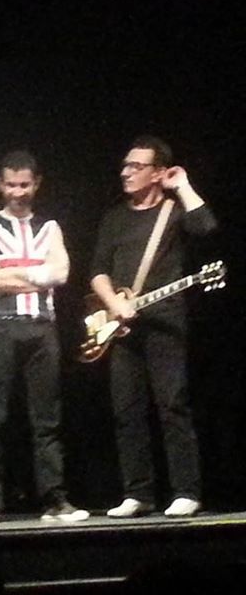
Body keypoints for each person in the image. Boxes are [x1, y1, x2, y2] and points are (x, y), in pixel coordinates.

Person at [90, 135, 217, 518]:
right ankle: (138, 493)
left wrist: (183, 185)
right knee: (126, 411)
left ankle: (186, 491)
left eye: (137, 166)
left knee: (172, 406)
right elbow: (98, 271)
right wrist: (114, 304)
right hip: (122, 326)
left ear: (158, 173)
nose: (126, 172)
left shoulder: (174, 212)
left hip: (165, 324)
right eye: (125, 165)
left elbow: (207, 227)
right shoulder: (114, 217)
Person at [0, 150, 89, 524]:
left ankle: (55, 498)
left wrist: (13, 275)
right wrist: (39, 273)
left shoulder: (49, 227)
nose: (17, 192)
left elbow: (63, 273)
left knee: (46, 418)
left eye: (24, 185)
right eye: (10, 185)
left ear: (36, 184)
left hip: (41, 324)